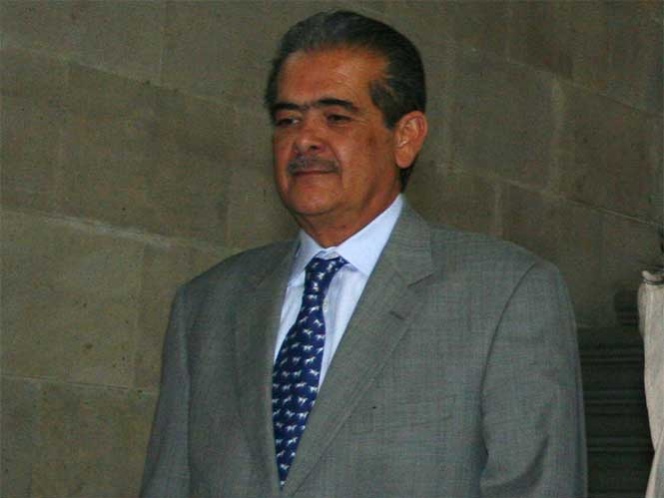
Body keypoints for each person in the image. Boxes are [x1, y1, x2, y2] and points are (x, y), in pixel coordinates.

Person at [141, 10, 587, 498]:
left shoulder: (504, 295)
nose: (304, 139)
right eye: (288, 120)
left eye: (336, 117)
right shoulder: (206, 305)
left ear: (406, 137)